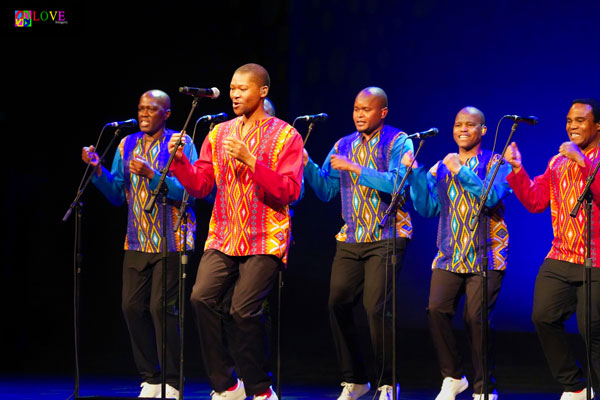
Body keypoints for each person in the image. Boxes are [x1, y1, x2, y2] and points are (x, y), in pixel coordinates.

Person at [168, 63, 303, 400]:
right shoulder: (219, 133)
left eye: (243, 88)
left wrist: (251, 161)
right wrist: (181, 163)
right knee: (201, 299)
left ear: (263, 92)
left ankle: (260, 389)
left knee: (243, 310)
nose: (235, 94)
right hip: (225, 235)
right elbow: (201, 186)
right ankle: (227, 385)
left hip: (265, 235)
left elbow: (290, 190)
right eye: (232, 88)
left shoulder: (287, 135)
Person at [81, 89, 198, 399]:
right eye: (141, 108)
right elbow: (119, 193)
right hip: (136, 240)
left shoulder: (181, 143)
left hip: (172, 239)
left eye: (152, 109)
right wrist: (97, 169)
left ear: (167, 114)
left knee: (162, 309)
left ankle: (173, 381)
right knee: (131, 307)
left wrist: (152, 174)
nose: (145, 114)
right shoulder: (126, 143)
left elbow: (192, 191)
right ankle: (151, 377)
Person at [303, 87, 412, 400]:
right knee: (337, 302)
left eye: (367, 109)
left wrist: (356, 169)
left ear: (383, 112)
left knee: (376, 308)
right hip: (351, 238)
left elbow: (397, 184)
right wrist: (308, 163)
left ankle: (387, 381)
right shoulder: (343, 144)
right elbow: (325, 189)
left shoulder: (398, 140)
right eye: (356, 109)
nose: (360, 115)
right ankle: (356, 379)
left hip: (388, 236)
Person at [402, 106, 511, 400]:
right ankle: (452, 377)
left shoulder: (497, 163)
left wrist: (460, 171)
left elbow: (491, 197)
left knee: (476, 320)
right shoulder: (440, 167)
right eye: (458, 124)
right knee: (436, 310)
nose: (462, 129)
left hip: (487, 255)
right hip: (449, 254)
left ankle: (483, 388)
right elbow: (426, 208)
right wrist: (413, 176)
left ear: (483, 131)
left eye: (470, 125)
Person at [505, 98, 600, 400]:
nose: (573, 126)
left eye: (580, 120)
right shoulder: (557, 161)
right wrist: (518, 170)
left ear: (597, 125)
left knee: (592, 331)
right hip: (560, 255)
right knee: (543, 316)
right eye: (569, 120)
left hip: (596, 259)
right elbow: (535, 201)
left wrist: (583, 162)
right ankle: (574, 386)